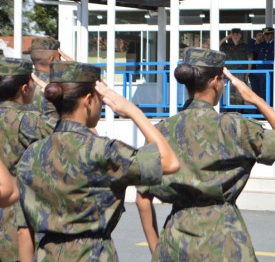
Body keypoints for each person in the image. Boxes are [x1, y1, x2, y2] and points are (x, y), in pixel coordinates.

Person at [135, 48, 275, 260]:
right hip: (225, 241)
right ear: (215, 81)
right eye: (223, 80)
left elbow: (142, 198)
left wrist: (157, 251)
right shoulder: (233, 127)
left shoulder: (160, 131)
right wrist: (255, 99)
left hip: (176, 241)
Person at [17, 61, 180, 261]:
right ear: (88, 101)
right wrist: (132, 110)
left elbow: (24, 230)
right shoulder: (103, 151)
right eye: (99, 99)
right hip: (92, 254)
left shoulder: (31, 154)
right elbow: (170, 162)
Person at [0, 57, 55, 262]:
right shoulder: (28, 121)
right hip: (20, 223)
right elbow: (76, 134)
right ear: (25, 88)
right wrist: (57, 97)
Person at [29, 36, 71, 120]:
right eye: (59, 57)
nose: (61, 61)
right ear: (52, 59)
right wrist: (77, 67)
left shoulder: (23, 83)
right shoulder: (60, 86)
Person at [220, 28, 251, 110]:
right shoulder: (227, 45)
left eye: (238, 34)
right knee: (230, 94)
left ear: (240, 35)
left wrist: (248, 73)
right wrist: (227, 37)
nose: (236, 36)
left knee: (240, 94)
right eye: (234, 34)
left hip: (241, 72)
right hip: (230, 73)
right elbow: (217, 44)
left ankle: (240, 113)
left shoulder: (245, 45)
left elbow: (250, 58)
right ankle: (231, 112)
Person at [253, 27, 275, 104]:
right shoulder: (262, 44)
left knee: (271, 92)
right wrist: (258, 40)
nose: (266, 36)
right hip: (261, 72)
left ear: (272, 34)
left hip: (271, 72)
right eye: (265, 34)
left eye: (268, 34)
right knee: (261, 92)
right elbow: (251, 49)